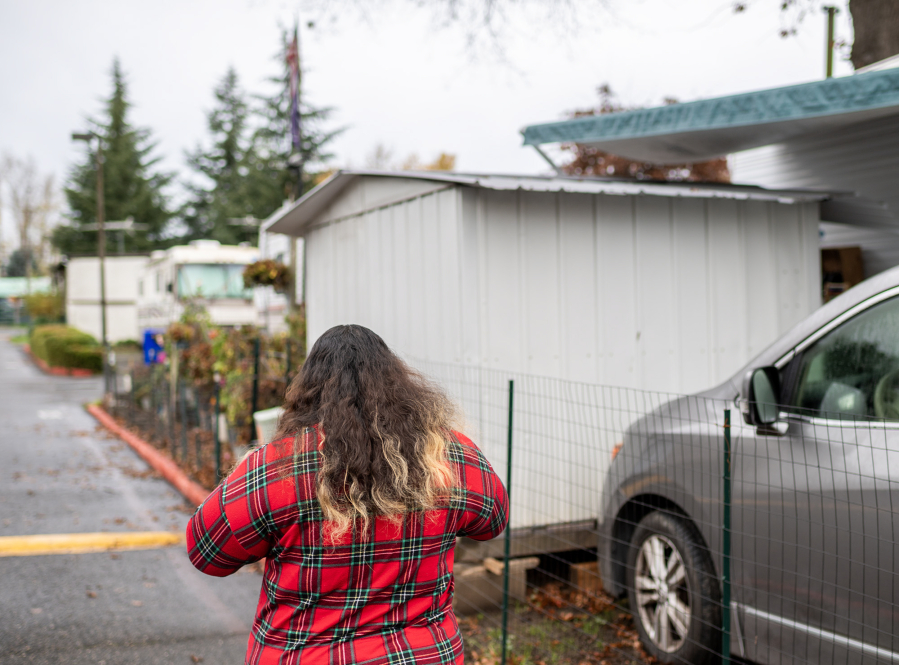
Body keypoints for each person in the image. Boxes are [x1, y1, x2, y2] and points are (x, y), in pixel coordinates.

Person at [186, 324, 509, 665]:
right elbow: (493, 522)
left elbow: (206, 552)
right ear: (398, 384)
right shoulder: (448, 455)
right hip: (423, 655)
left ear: (308, 390)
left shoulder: (276, 467)